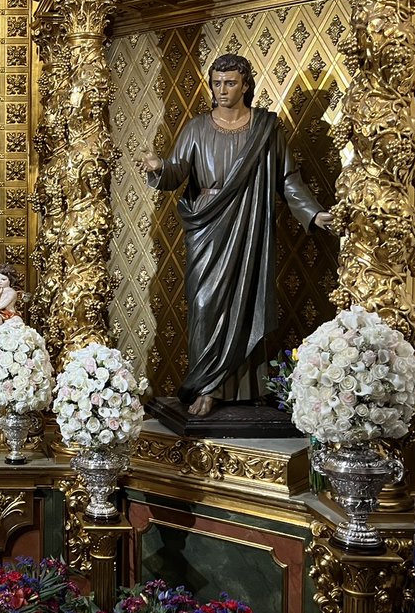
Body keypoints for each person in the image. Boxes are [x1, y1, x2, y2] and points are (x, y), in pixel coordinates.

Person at [141, 54, 333, 417]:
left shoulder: (266, 128)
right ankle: (206, 382)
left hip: (250, 226)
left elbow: (288, 180)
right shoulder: (197, 128)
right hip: (209, 227)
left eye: (230, 83)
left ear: (246, 85)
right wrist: (159, 167)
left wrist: (314, 212)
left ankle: (245, 389)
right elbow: (176, 171)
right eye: (216, 83)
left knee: (247, 305)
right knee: (204, 306)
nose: (222, 90)